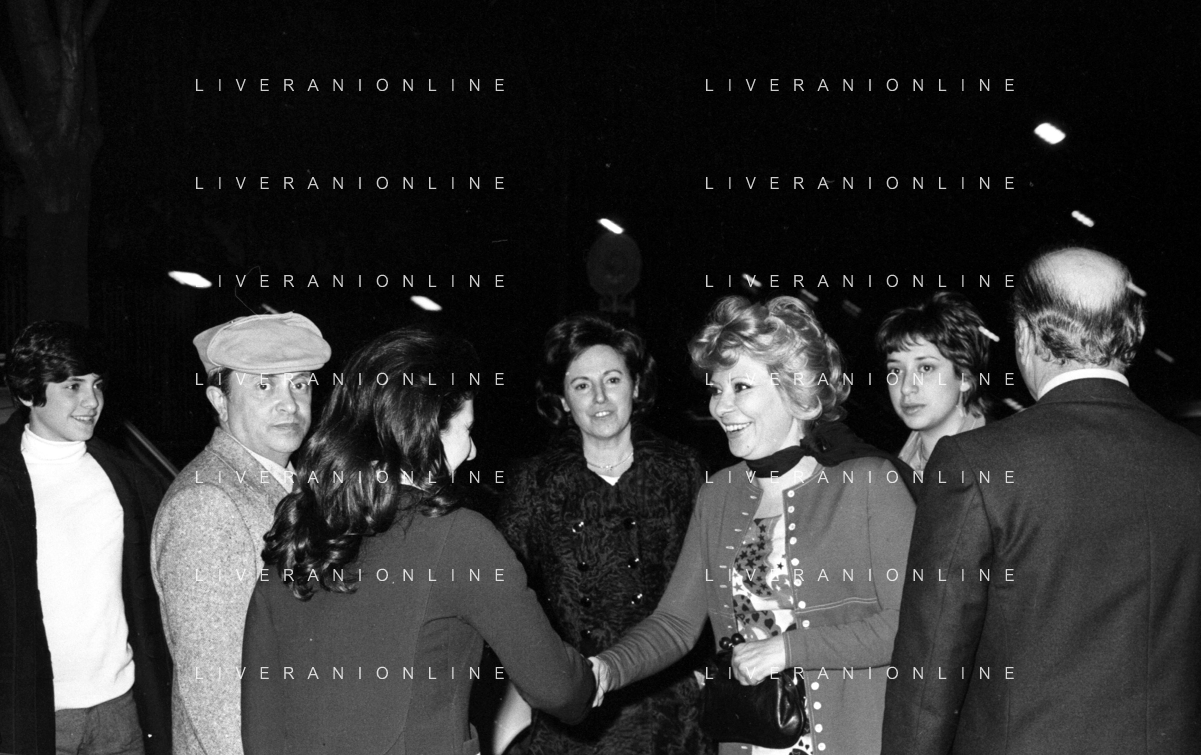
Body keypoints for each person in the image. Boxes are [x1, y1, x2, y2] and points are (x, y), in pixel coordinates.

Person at [882, 248, 1201, 753]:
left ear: (1025, 335)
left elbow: (932, 666)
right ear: (1133, 332)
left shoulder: (974, 462)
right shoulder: (1190, 460)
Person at [239, 327, 595, 755]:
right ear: (426, 431)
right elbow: (557, 688)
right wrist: (592, 678)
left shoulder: (295, 535)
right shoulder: (460, 538)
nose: (473, 451)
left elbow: (260, 731)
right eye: (467, 429)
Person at [592, 296, 917, 755]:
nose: (720, 407)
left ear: (798, 391)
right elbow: (675, 624)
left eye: (740, 387)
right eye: (716, 389)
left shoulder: (869, 483)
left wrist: (787, 650)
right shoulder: (718, 495)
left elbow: (912, 624)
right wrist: (608, 669)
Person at [496, 314, 712, 755]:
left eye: (612, 380)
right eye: (581, 385)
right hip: (577, 713)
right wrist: (540, 681)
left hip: (670, 708)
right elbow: (504, 598)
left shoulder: (682, 471)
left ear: (636, 385)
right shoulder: (535, 483)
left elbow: (711, 580)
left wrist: (704, 670)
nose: (600, 398)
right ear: (562, 399)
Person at [151, 312, 330, 755]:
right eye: (264, 386)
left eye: (300, 384)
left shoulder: (292, 484)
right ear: (219, 399)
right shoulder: (208, 503)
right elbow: (215, 691)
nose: (289, 404)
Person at [0, 321, 171, 755]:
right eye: (72, 386)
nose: (92, 401)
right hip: (34, 717)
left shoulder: (129, 480)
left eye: (96, 385)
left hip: (121, 712)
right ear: (28, 393)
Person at [876, 292, 991, 472]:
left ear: (965, 376)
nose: (906, 388)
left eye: (926, 368)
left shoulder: (1001, 466)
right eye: (896, 370)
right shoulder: (888, 472)